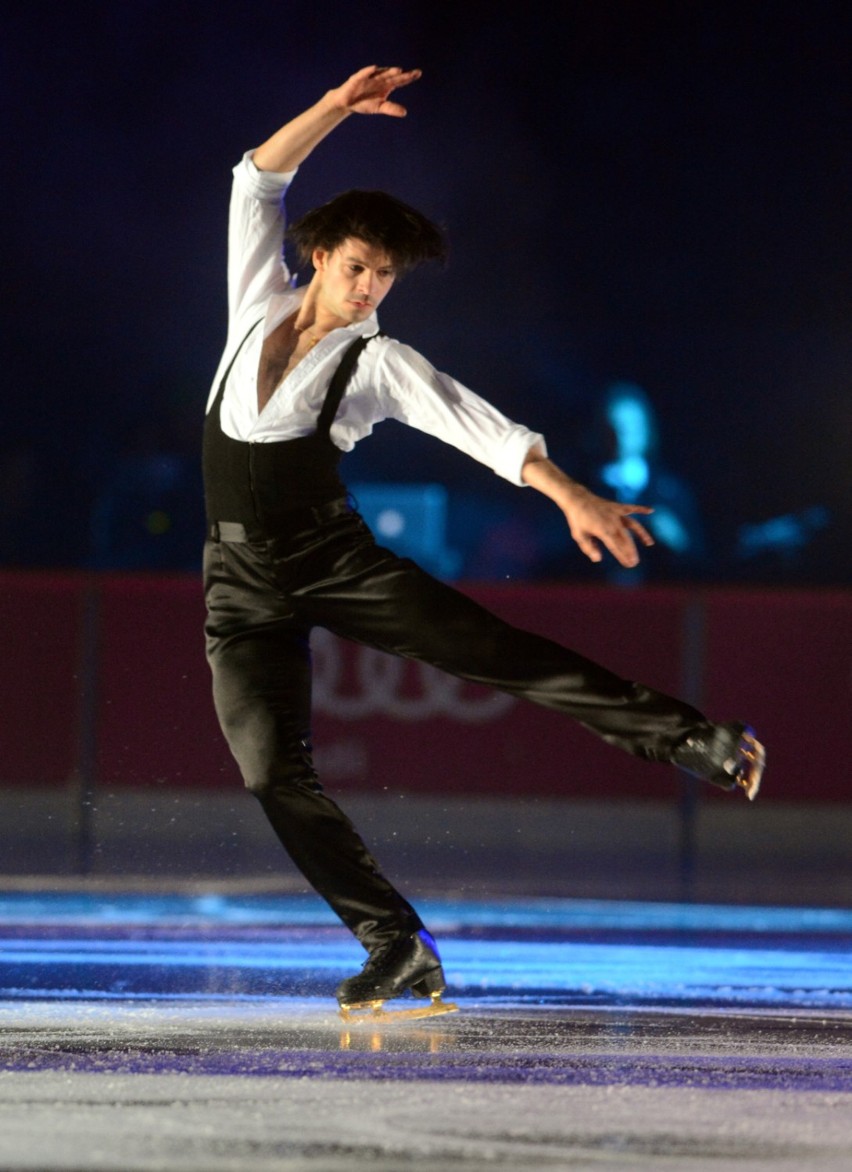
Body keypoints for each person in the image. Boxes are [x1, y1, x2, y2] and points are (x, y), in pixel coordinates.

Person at [202, 65, 765, 1020]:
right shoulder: (256, 297)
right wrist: (337, 109)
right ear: (322, 254)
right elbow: (255, 178)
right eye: (358, 268)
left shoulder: (379, 360)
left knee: (495, 653)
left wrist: (570, 494)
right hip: (238, 579)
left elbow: (485, 430)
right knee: (267, 769)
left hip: (334, 559)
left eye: (386, 276)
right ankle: (394, 942)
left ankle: (692, 737)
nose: (372, 287)